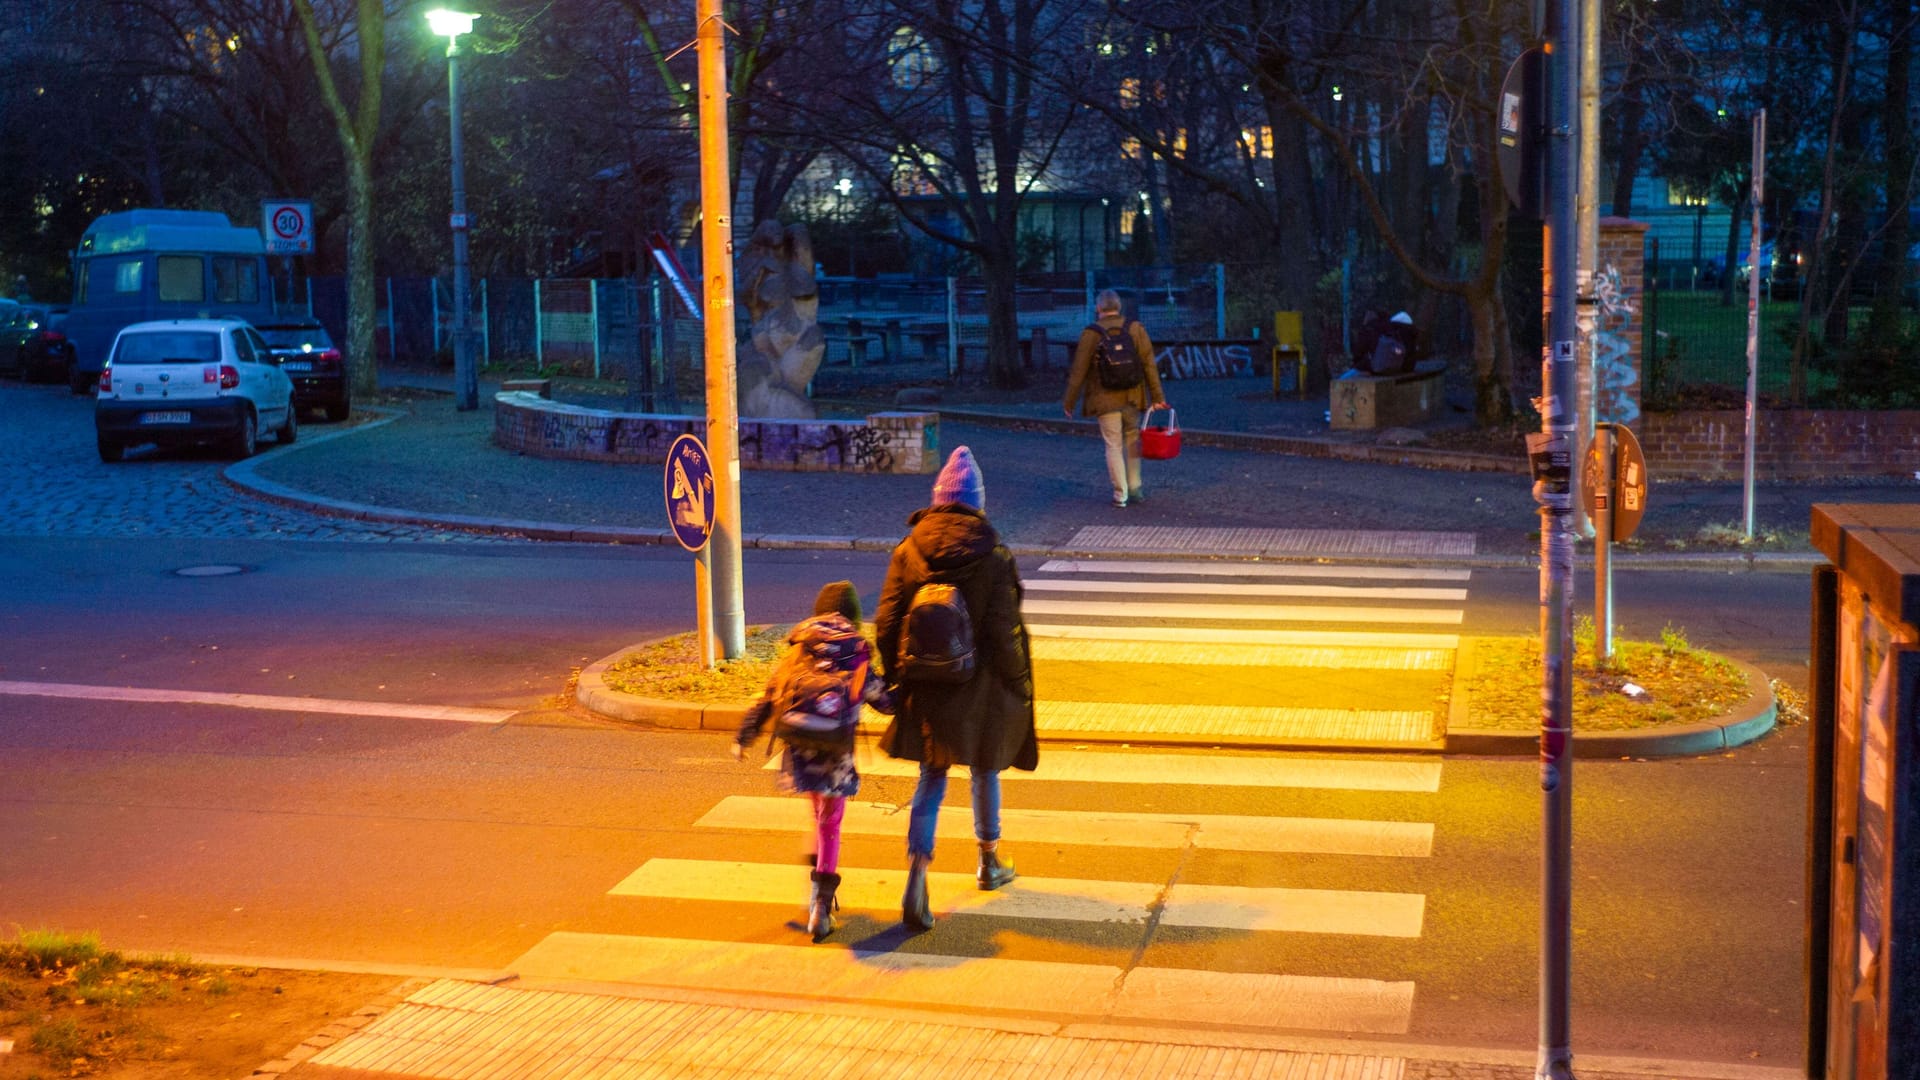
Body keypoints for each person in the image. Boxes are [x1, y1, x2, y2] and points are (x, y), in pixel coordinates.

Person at [874, 446, 1038, 931]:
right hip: (979, 683)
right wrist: (1019, 683)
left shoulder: (907, 551)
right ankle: (989, 862)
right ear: (976, 504)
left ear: (938, 500)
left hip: (926, 683)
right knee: (985, 769)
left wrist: (895, 676)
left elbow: (886, 622)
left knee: (932, 775)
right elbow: (1006, 631)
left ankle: (917, 872)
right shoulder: (994, 555)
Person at [731, 580, 893, 943]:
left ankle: (815, 879)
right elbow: (883, 701)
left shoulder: (799, 648)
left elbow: (771, 694)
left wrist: (744, 736)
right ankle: (821, 905)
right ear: (852, 613)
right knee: (831, 822)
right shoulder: (856, 650)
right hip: (837, 747)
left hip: (800, 743)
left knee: (818, 814)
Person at [1063, 290, 1168, 508]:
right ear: (1119, 307)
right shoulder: (1135, 329)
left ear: (1098, 308)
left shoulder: (1091, 333)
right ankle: (1135, 487)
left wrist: (1069, 402)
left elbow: (1078, 371)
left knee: (1112, 444)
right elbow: (1149, 364)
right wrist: (1157, 397)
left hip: (1104, 399)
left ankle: (1121, 495)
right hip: (1132, 396)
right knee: (1132, 440)